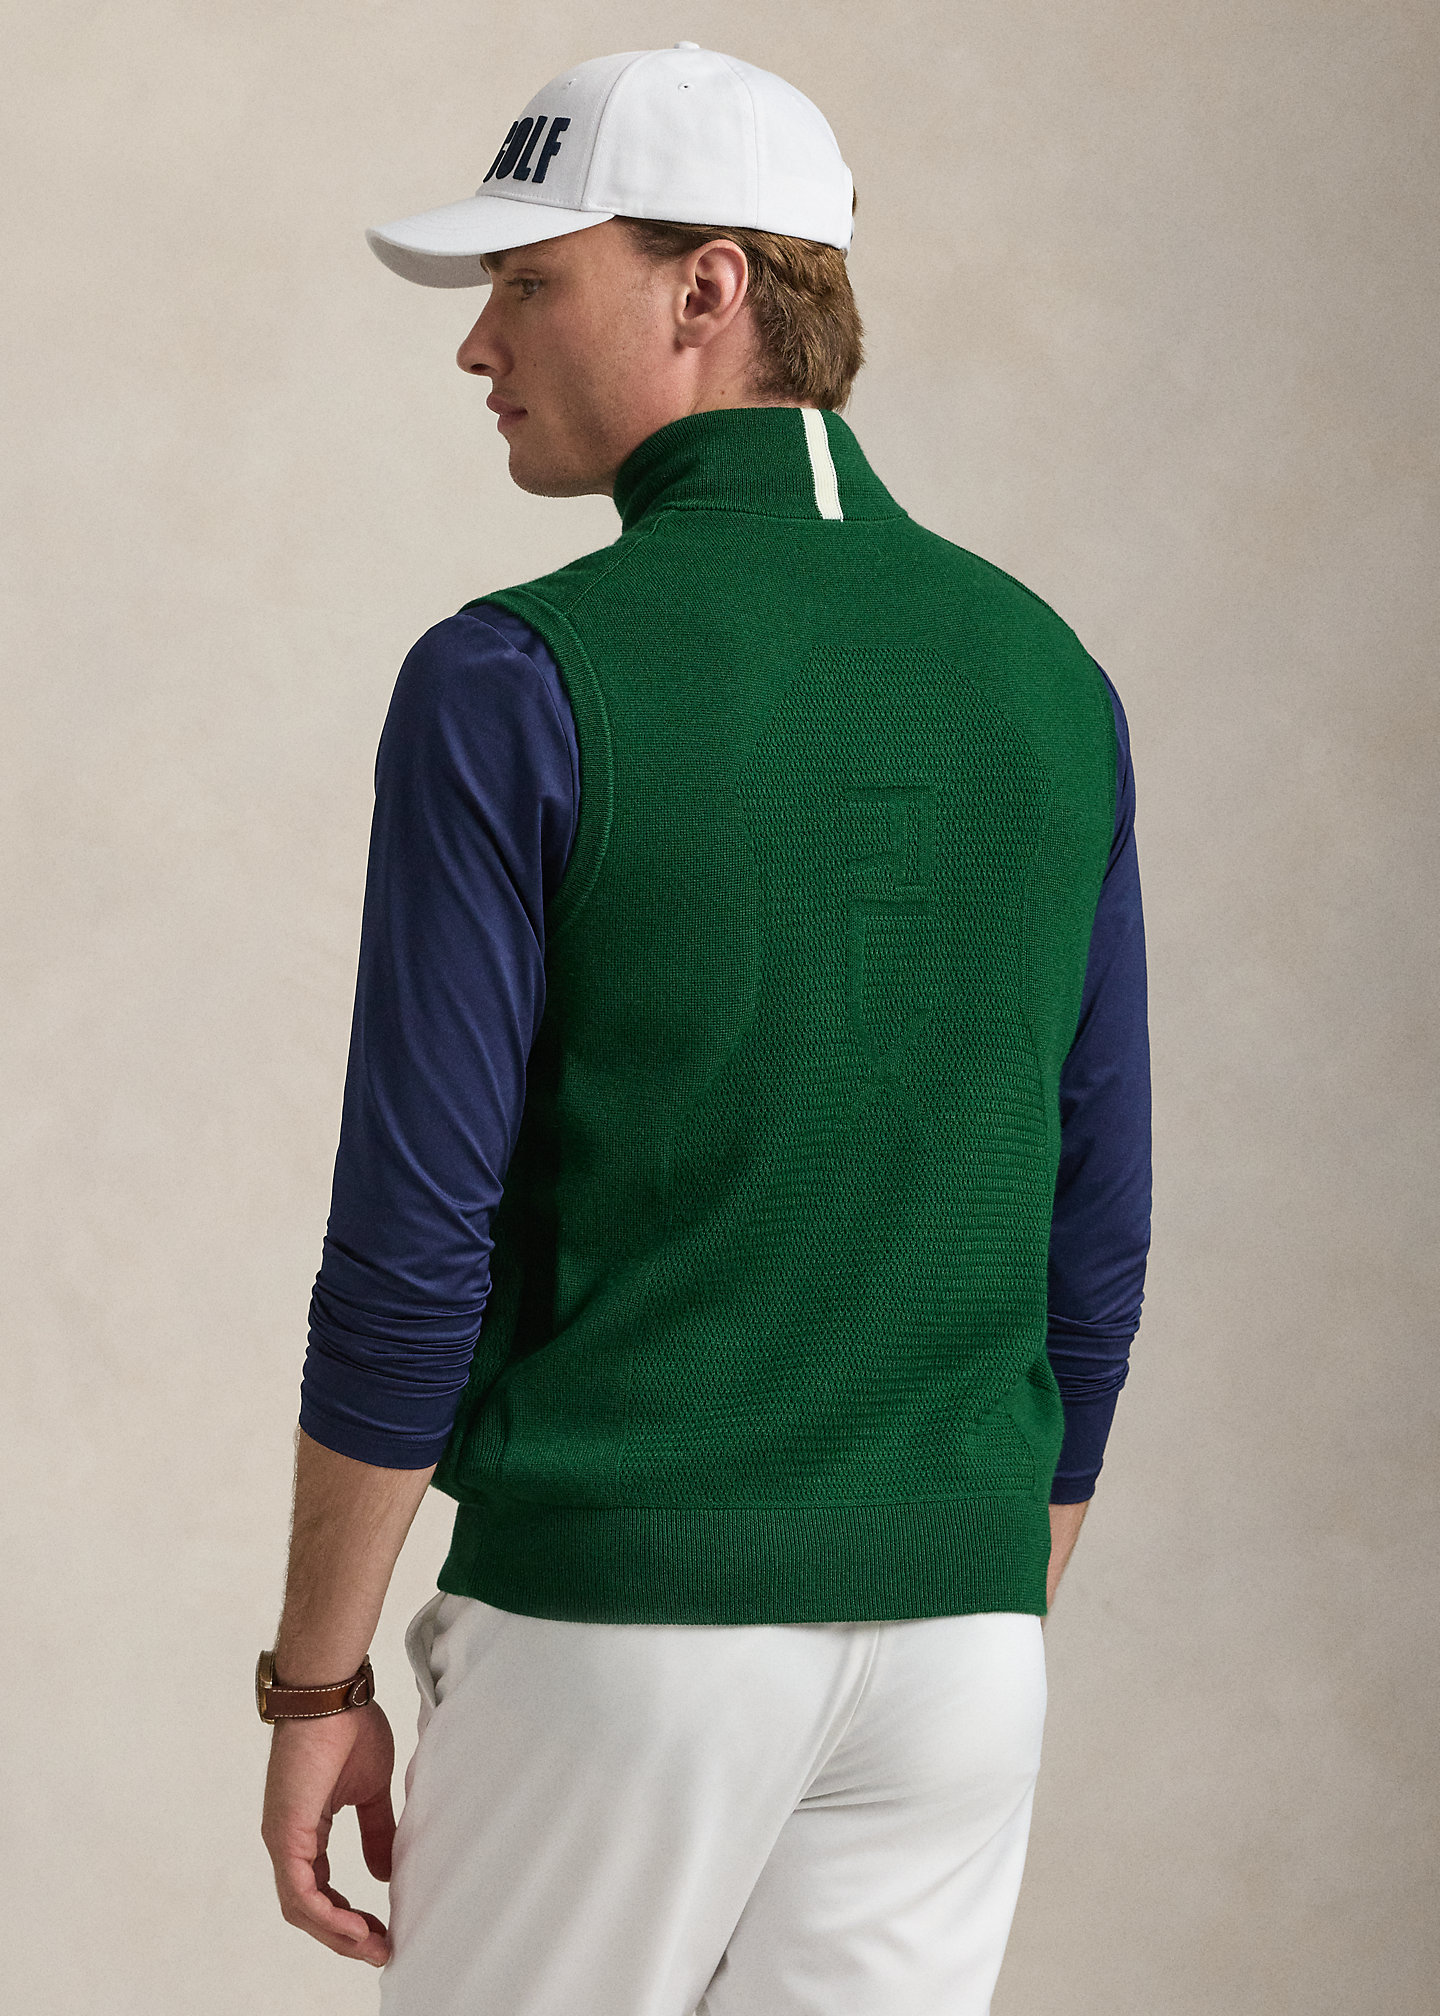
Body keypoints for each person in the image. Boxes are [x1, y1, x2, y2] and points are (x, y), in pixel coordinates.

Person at [258, 42, 1151, 2016]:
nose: (478, 341)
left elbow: (414, 1238)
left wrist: (313, 1684)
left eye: (529, 280)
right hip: (963, 1647)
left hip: (620, 1621)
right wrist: (972, 1587)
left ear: (710, 287)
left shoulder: (516, 680)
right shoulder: (1050, 680)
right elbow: (1095, 1233)